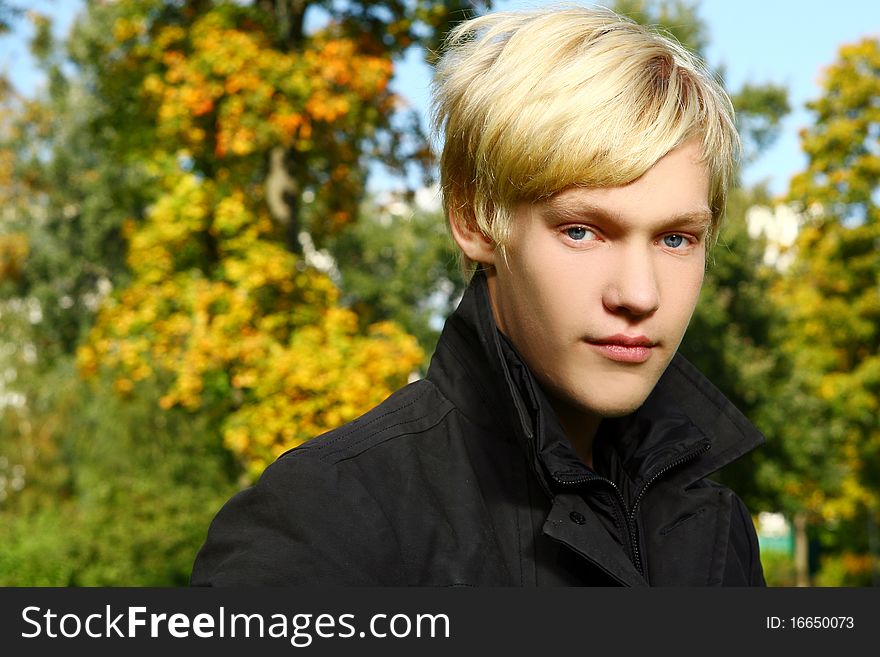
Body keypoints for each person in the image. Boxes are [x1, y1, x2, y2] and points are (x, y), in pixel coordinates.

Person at [191, 5, 765, 586]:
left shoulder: (715, 530)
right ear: (473, 220)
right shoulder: (326, 522)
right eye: (581, 231)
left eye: (675, 238)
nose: (639, 294)